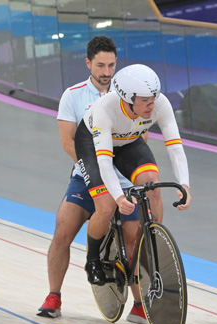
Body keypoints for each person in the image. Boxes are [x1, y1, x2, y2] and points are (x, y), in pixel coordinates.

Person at [37, 36, 147, 324]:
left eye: (111, 65)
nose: (107, 72)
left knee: (133, 241)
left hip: (123, 180)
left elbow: (141, 139)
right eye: (100, 65)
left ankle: (139, 303)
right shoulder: (72, 95)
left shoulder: (130, 95)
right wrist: (97, 169)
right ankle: (53, 295)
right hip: (87, 177)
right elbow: (67, 142)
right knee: (62, 230)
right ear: (88, 63)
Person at [73, 64, 191, 287]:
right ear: (127, 99)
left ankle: (150, 242)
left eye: (153, 98)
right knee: (106, 206)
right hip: (93, 144)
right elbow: (105, 161)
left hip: (128, 141)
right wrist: (118, 197)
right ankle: (92, 260)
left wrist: (184, 184)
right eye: (145, 101)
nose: (151, 105)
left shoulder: (160, 104)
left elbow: (175, 147)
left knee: (151, 183)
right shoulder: (104, 109)